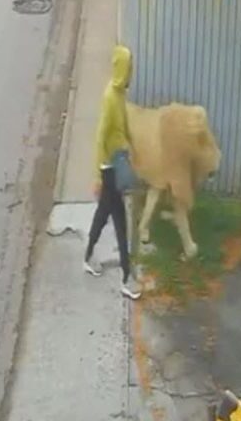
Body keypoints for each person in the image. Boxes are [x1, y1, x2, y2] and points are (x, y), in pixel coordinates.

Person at [83, 44, 142, 300]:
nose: (131, 74)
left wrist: (132, 145)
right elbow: (100, 137)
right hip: (109, 168)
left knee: (105, 213)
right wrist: (97, 175)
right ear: (122, 70)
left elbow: (123, 125)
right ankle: (127, 277)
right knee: (119, 219)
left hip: (116, 161)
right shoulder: (110, 97)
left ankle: (89, 255)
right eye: (129, 69)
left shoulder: (118, 94)